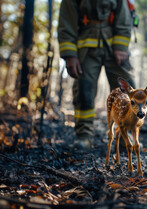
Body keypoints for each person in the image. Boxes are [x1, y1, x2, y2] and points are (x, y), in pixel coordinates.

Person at [58, 0, 136, 151]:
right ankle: (84, 136)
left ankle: (126, 135)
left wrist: (121, 46)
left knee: (127, 90)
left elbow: (124, 17)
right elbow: (66, 22)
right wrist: (70, 55)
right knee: (83, 91)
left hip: (113, 47)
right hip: (85, 50)